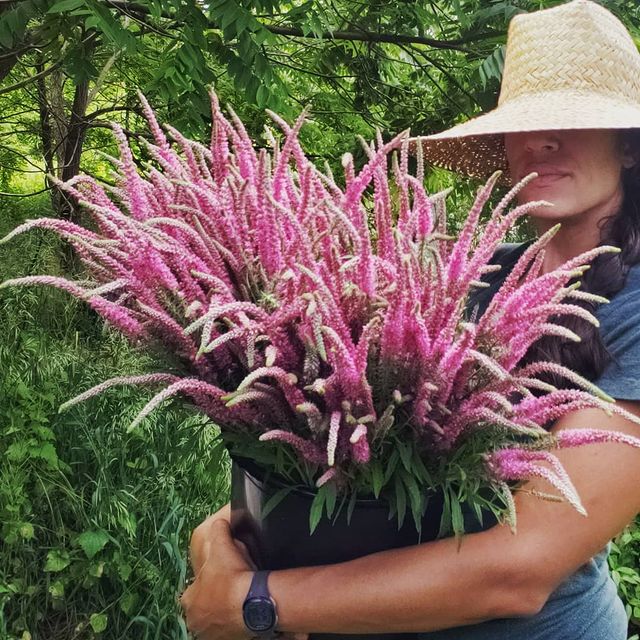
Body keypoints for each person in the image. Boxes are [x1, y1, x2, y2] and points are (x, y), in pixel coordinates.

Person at [179, 1, 640, 638]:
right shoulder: (472, 278)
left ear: (629, 148)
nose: (543, 140)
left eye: (573, 121)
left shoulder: (635, 310)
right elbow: (336, 439)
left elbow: (523, 565)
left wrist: (259, 602)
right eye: (528, 123)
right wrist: (224, 536)